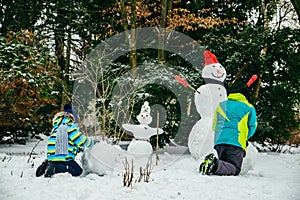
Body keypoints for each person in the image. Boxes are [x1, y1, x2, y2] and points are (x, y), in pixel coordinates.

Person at [199, 87, 257, 175]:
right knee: (235, 168)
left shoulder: (221, 105)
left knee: (224, 167)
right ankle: (214, 164)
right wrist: (244, 139)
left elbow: (214, 126)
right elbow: (253, 126)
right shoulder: (249, 107)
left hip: (219, 142)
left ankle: (212, 165)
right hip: (236, 142)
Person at [36, 104, 94, 178]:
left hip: (52, 157)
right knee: (77, 171)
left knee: (61, 164)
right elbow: (81, 141)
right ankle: (56, 168)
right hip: (64, 158)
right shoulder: (69, 127)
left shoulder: (56, 128)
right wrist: (92, 143)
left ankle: (47, 164)